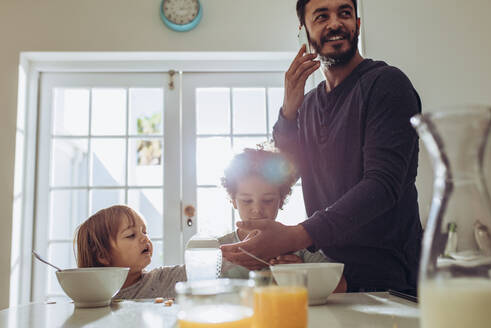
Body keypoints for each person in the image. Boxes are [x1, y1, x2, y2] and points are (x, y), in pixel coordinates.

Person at [221, 0, 422, 293]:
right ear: (303, 33)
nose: (335, 23)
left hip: (391, 280)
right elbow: (285, 171)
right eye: (321, 16)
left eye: (344, 13)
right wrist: (289, 109)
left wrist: (296, 236)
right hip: (331, 275)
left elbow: (382, 185)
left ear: (358, 25)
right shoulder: (311, 103)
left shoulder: (387, 84)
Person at [218, 148, 347, 288]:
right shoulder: (219, 249)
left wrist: (301, 272)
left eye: (267, 201)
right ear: (233, 201)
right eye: (247, 201)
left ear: (281, 200)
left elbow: (340, 286)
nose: (257, 210)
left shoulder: (297, 245)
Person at [75, 205, 186, 299]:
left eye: (144, 232)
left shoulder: (164, 279)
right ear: (103, 255)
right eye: (131, 235)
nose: (145, 238)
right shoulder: (93, 300)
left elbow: (199, 270)